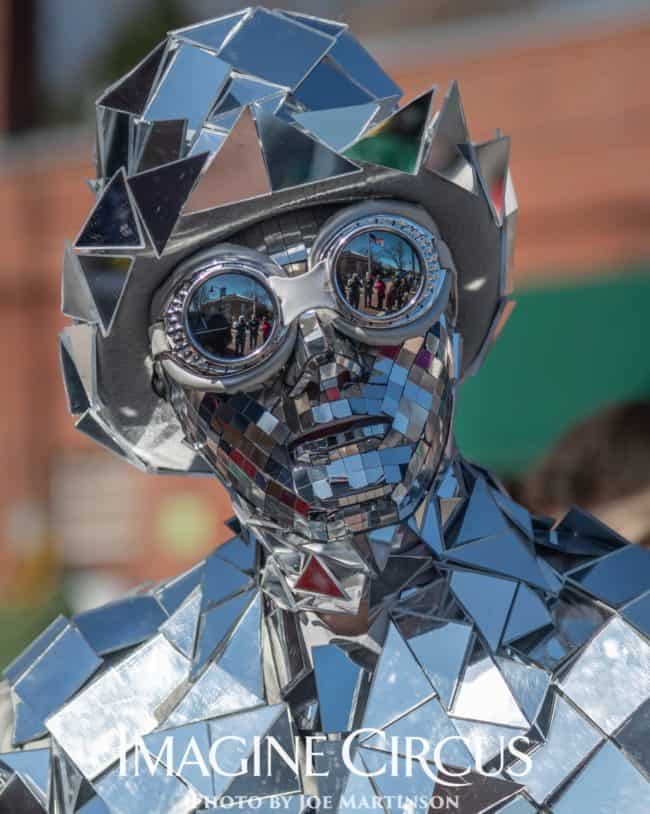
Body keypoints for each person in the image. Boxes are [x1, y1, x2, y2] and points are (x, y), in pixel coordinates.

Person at [2, 9, 648, 812]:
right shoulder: (70, 741)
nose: (323, 358)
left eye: (378, 276)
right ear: (173, 393)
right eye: (230, 322)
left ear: (447, 316)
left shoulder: (632, 653)